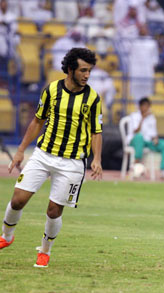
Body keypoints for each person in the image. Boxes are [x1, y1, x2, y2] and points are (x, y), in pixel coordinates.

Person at [0, 48, 103, 268]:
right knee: (18, 199)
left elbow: (96, 131)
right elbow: (37, 121)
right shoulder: (52, 90)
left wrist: (97, 159)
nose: (87, 75)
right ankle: (6, 236)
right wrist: (20, 150)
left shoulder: (93, 98)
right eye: (83, 70)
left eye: (89, 71)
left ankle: (45, 251)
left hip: (73, 162)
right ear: (70, 69)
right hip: (43, 154)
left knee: (54, 210)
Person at [127, 97, 164, 180]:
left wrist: (155, 139)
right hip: (135, 140)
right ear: (140, 106)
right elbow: (136, 131)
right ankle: (137, 167)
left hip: (148, 141)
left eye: (148, 106)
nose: (147, 108)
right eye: (145, 106)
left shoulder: (151, 118)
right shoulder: (134, 116)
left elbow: (154, 133)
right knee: (139, 138)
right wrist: (143, 118)